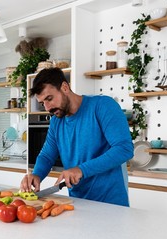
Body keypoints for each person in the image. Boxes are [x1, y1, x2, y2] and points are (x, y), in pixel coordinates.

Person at [20, 67, 134, 206]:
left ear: (64, 87)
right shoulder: (56, 122)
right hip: (77, 202)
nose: (47, 107)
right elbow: (47, 156)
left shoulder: (102, 106)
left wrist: (81, 170)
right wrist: (36, 174)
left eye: (49, 98)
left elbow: (124, 148)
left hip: (111, 203)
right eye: (42, 103)